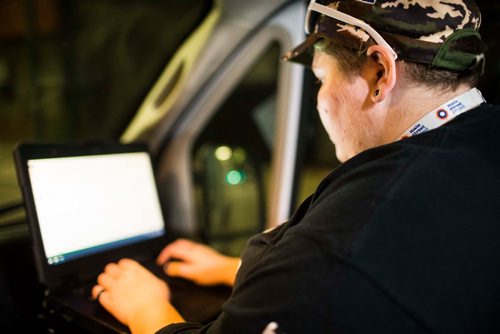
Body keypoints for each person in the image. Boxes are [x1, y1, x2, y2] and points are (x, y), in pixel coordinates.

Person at [92, 0, 500, 333]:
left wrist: (147, 309)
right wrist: (237, 269)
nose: (320, 100)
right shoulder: (477, 147)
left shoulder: (355, 230)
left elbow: (341, 271)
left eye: (321, 78)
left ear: (379, 70)